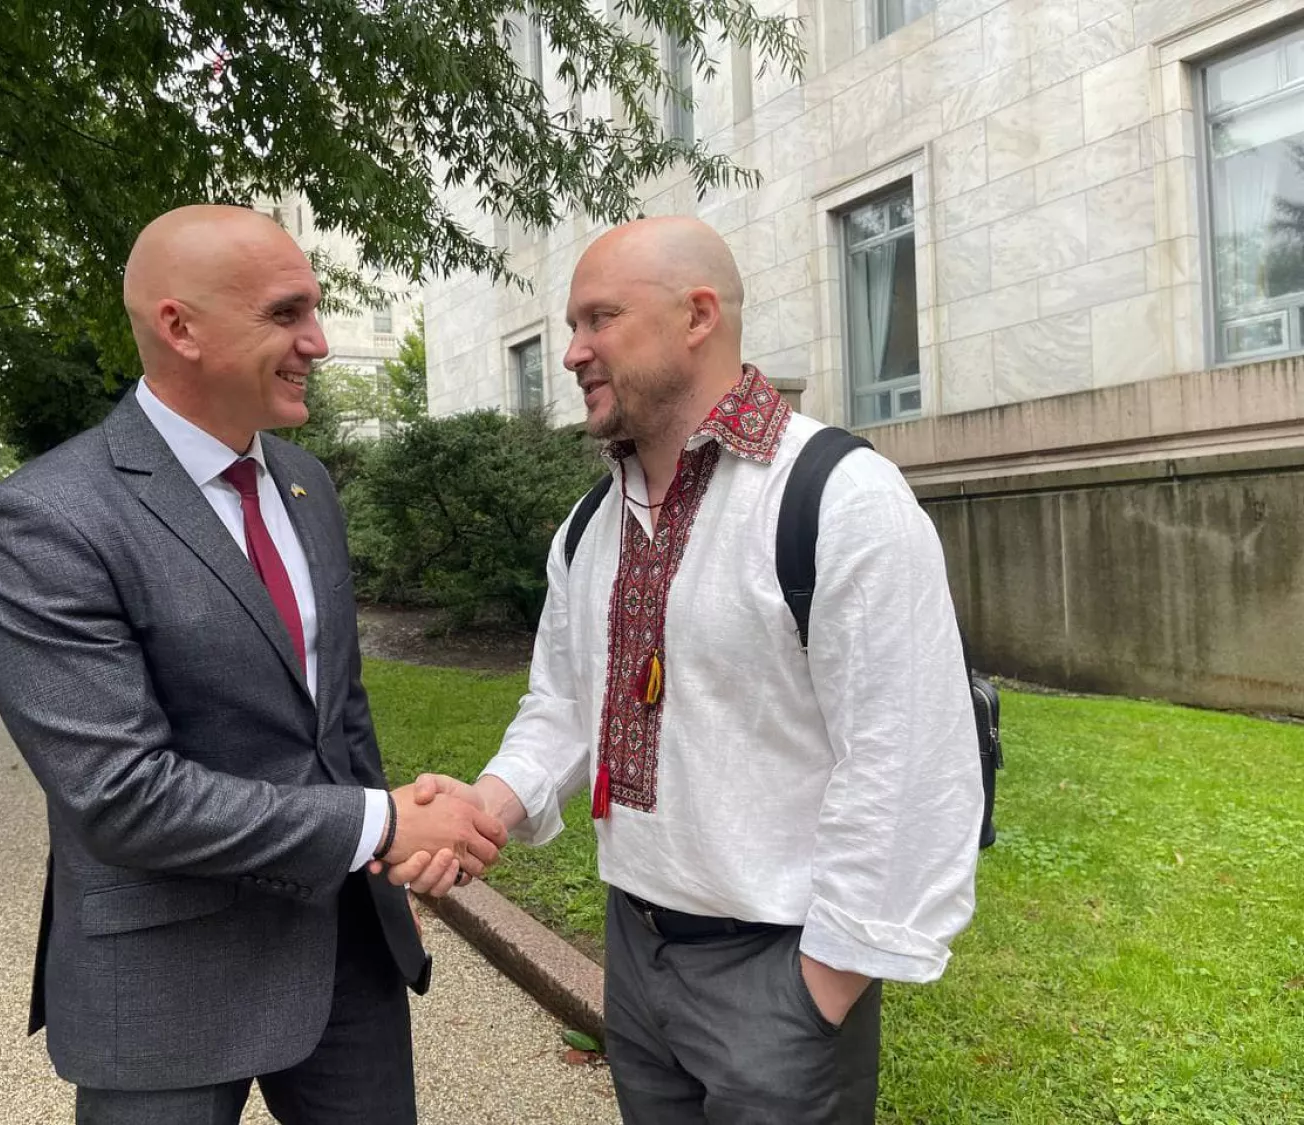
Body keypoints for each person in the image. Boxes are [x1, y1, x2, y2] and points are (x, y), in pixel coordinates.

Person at [404, 217, 984, 1123]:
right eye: (571, 325)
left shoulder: (840, 497)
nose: (572, 352)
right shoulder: (589, 524)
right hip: (635, 954)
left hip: (781, 975)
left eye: (599, 319)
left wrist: (818, 989)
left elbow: (909, 765)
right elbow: (564, 707)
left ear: (697, 315)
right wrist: (489, 804)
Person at [0, 204, 507, 1125]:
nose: (320, 341)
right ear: (180, 328)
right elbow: (120, 792)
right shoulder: (47, 518)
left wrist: (383, 869)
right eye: (286, 313)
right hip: (164, 979)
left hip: (344, 957)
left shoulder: (308, 483)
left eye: (317, 310)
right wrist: (379, 826)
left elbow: (337, 710)